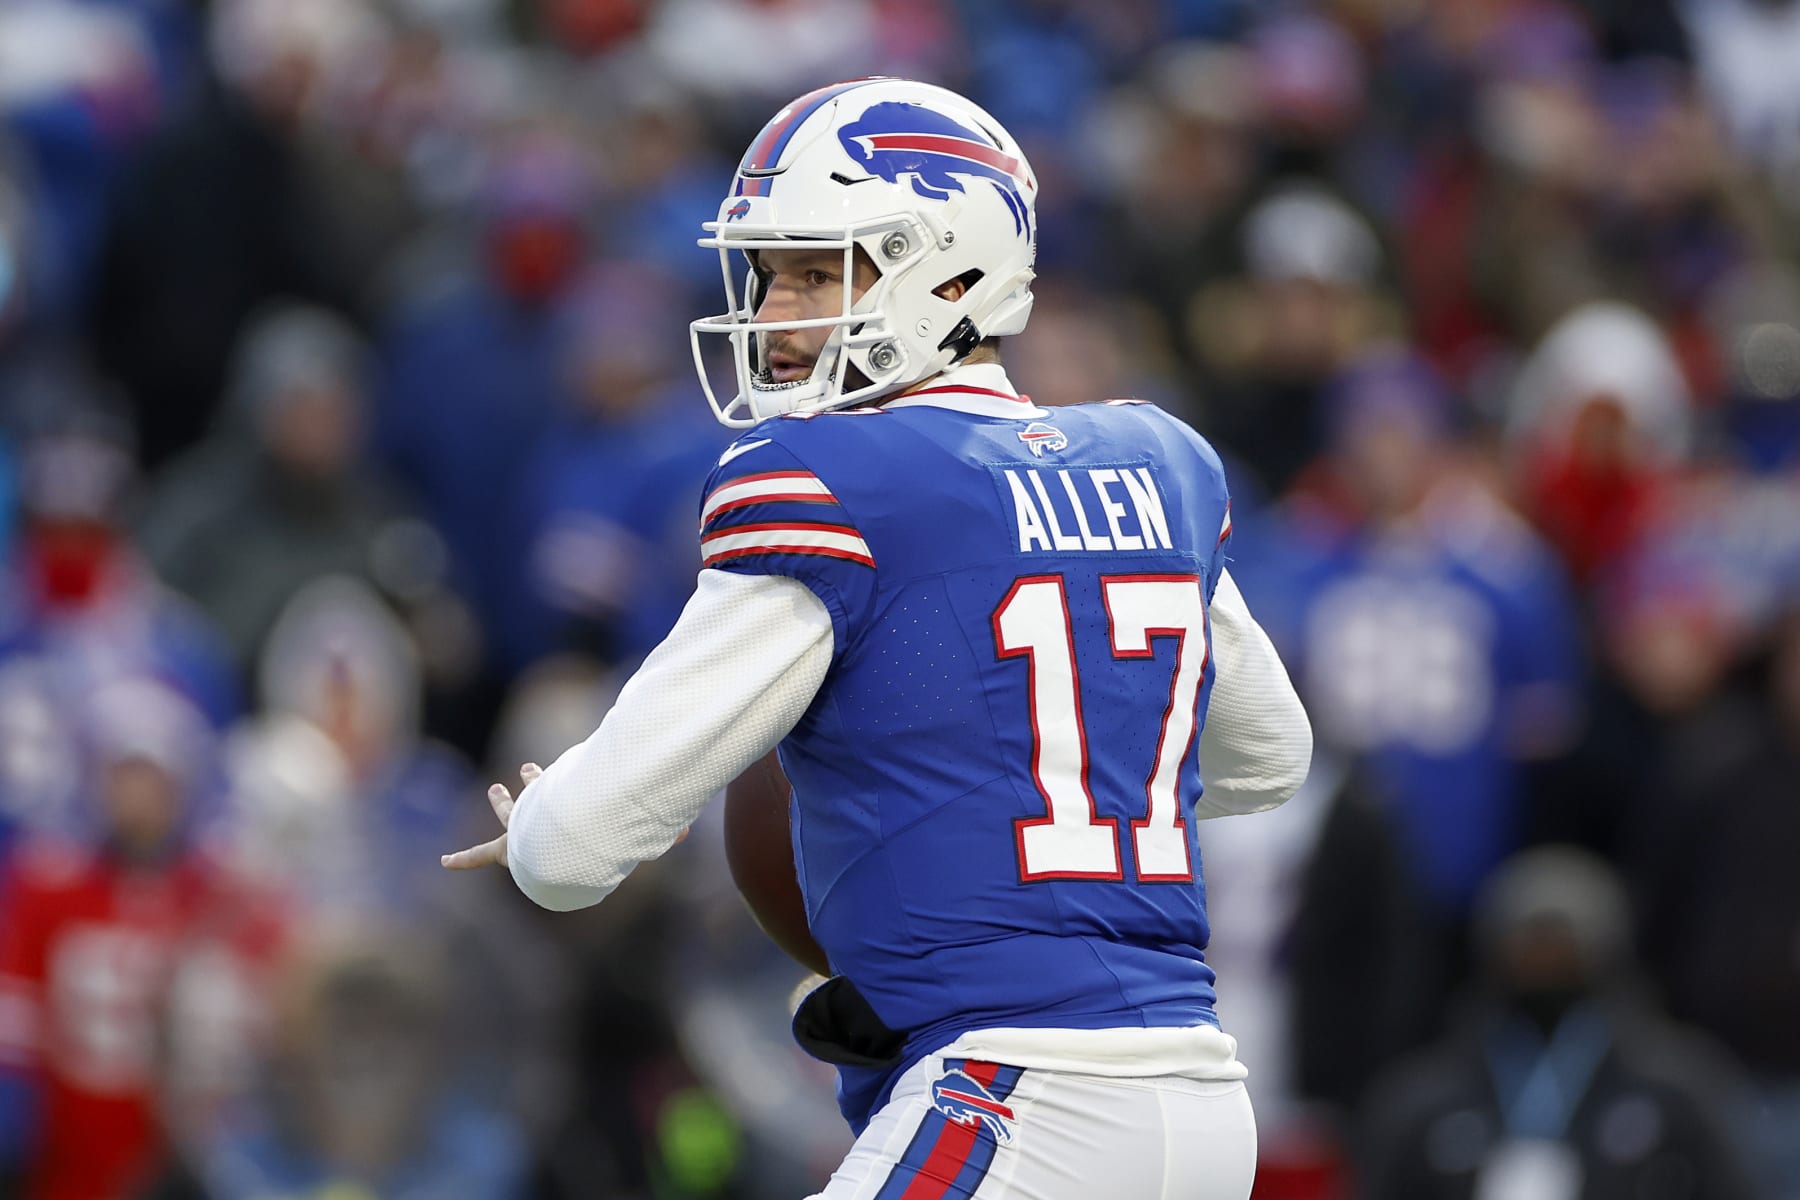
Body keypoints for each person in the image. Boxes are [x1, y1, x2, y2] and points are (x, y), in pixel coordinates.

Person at [444, 78, 1313, 1200]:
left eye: (817, 271)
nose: (773, 314)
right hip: (1200, 1105)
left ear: (953, 272)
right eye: (769, 275)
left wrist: (537, 830)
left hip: (1017, 1096)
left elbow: (574, 856)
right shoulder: (1157, 461)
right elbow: (1266, 757)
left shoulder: (831, 481)